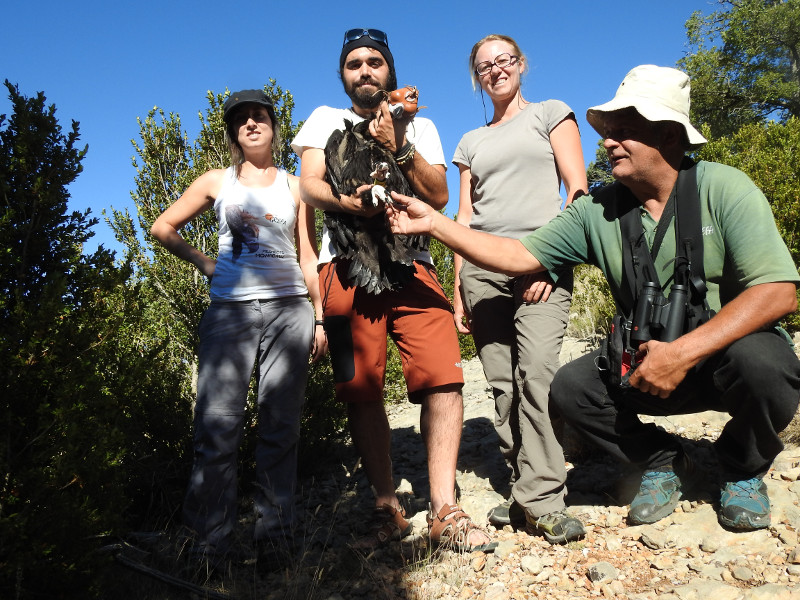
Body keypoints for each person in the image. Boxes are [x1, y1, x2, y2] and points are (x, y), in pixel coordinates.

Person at [387, 65, 800, 532]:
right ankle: (663, 459)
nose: (606, 142)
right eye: (609, 131)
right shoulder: (597, 209)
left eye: (624, 131)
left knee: (769, 366)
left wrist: (682, 352)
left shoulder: (724, 188)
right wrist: (436, 224)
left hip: (718, 360)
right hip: (643, 363)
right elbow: (518, 254)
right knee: (570, 388)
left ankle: (741, 465)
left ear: (668, 135)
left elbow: (779, 292)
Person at [291, 28, 495, 552]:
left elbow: (440, 194)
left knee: (444, 379)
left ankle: (445, 507)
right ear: (343, 75)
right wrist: (351, 202)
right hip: (343, 267)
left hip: (414, 264)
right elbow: (308, 186)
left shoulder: (419, 125)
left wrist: (397, 145)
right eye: (354, 63)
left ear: (391, 71)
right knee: (359, 389)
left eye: (375, 62)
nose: (365, 71)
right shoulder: (323, 120)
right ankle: (386, 505)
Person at [151, 89, 327, 570]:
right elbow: (162, 226)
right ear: (232, 132)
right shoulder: (216, 181)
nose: (252, 124)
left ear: (273, 125)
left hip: (290, 310)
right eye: (242, 119)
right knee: (217, 426)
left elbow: (308, 256)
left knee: (280, 426)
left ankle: (276, 540)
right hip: (230, 310)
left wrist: (319, 316)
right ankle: (210, 546)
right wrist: (205, 262)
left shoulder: (296, 186)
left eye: (260, 116)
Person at [451, 34, 587, 544]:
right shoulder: (470, 142)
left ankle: (545, 500)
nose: (496, 70)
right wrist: (459, 284)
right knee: (502, 385)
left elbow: (577, 190)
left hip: (538, 261)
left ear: (521, 64)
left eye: (504, 60)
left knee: (536, 376)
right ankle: (522, 488)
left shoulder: (551, 112)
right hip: (481, 271)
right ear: (477, 77)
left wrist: (549, 263)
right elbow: (464, 218)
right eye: (485, 66)